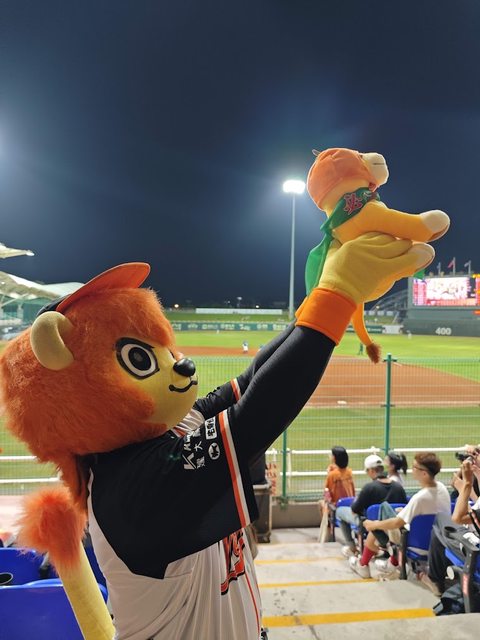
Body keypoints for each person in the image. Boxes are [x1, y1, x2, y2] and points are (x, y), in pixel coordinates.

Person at [0, 233, 431, 640]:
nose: (180, 363)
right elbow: (256, 416)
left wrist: (324, 296)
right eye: (140, 357)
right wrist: (337, 297)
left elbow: (250, 382)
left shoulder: (165, 430)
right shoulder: (130, 487)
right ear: (77, 392)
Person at [359, 452, 451, 579]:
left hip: (415, 544)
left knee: (382, 512)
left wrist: (373, 525)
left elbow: (397, 523)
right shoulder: (442, 488)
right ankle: (390, 562)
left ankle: (368, 563)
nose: (411, 469)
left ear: (424, 473)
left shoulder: (420, 498)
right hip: (438, 542)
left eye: (415, 467)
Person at [424, 455, 480, 597]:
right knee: (439, 530)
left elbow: (458, 518)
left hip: (474, 552)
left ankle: (435, 579)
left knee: (441, 520)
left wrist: (466, 486)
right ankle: (435, 577)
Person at [336, 453, 407, 559]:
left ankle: (352, 547)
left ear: (372, 471)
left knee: (340, 511)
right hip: (393, 526)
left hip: (369, 524)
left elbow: (354, 509)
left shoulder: (369, 488)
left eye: (367, 471)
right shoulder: (398, 487)